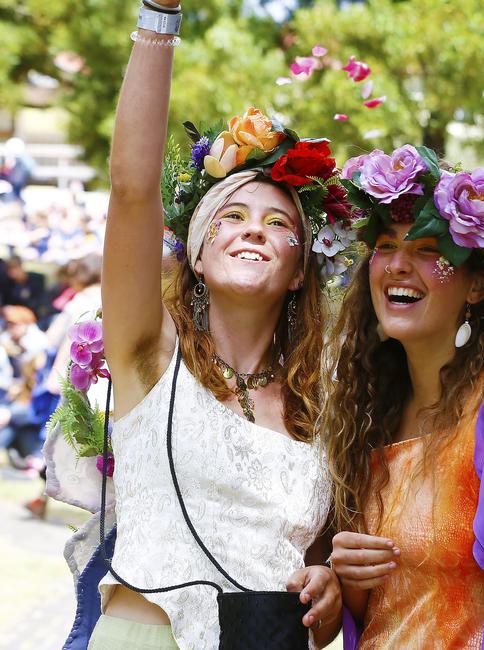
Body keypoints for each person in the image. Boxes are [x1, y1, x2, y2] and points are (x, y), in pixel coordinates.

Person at [45, 2, 355, 648]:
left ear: (300, 270)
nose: (252, 230)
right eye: (230, 218)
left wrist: (329, 585)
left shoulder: (324, 404)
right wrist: (161, 15)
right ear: (196, 253)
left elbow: (319, 566)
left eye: (277, 224)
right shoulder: (148, 356)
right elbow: (132, 189)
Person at [323, 147, 484, 649]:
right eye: (384, 245)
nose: (397, 265)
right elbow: (388, 614)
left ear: (478, 285)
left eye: (426, 250)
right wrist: (351, 583)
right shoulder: (371, 410)